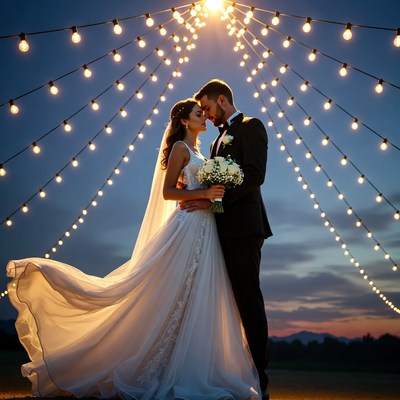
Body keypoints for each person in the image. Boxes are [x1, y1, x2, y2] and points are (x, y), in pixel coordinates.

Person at [6, 98, 262, 399]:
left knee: (196, 297)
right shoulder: (181, 149)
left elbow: (206, 196)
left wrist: (213, 197)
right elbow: (169, 192)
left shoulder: (200, 153)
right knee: (168, 294)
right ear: (183, 121)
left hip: (206, 231)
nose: (203, 117)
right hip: (188, 229)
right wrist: (204, 191)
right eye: (197, 113)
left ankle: (186, 364)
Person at [181, 79, 272, 400]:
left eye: (206, 108)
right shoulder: (216, 139)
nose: (206, 115)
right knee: (221, 304)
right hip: (218, 230)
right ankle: (227, 372)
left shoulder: (251, 126)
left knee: (248, 301)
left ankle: (260, 380)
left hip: (245, 227)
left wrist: (213, 201)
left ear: (222, 100)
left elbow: (254, 175)